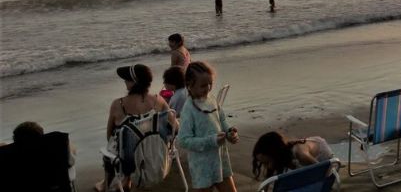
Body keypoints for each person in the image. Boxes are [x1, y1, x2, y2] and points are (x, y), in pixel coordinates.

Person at [97, 64, 176, 192]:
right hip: (155, 151)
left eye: (127, 79)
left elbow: (109, 135)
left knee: (110, 150)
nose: (124, 81)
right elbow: (174, 126)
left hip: (128, 159)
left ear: (134, 82)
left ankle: (108, 183)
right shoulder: (158, 100)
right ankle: (126, 180)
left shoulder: (118, 104)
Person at [178, 61, 239, 192]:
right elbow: (183, 140)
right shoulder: (188, 110)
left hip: (220, 159)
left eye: (210, 84)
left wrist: (229, 133)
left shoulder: (211, 99)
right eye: (203, 85)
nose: (208, 88)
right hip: (202, 164)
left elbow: (221, 119)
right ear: (189, 86)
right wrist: (211, 140)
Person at [252, 131, 334, 180]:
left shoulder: (301, 154)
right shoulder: (283, 155)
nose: (267, 167)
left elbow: (323, 170)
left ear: (274, 155)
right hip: (304, 151)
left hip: (321, 155)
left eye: (267, 163)